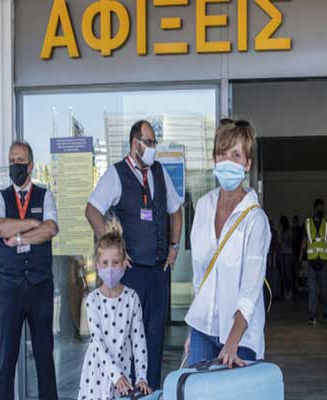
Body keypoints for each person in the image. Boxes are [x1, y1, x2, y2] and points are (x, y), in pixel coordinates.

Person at [85, 120, 183, 389]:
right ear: (134, 143)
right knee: (129, 337)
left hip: (159, 271)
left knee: (155, 336)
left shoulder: (159, 173)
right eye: (148, 142)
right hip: (132, 272)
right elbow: (92, 210)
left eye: (154, 142)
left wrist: (174, 247)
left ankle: (151, 391)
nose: (153, 147)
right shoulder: (116, 174)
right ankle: (126, 391)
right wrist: (114, 248)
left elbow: (176, 211)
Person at [184, 118, 271, 368]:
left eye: (236, 155)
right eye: (222, 154)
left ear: (247, 164)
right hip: (203, 329)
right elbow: (200, 276)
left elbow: (250, 291)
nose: (227, 161)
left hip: (240, 335)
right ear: (214, 158)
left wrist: (232, 342)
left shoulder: (255, 219)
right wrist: (193, 327)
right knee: (196, 388)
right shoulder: (203, 207)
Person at [0, 141, 59, 400]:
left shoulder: (45, 194)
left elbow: (51, 229)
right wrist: (31, 223)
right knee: (6, 358)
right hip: (9, 288)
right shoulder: (1, 196)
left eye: (20, 160)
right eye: (12, 160)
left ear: (30, 165)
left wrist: (18, 237)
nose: (15, 165)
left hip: (40, 287)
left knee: (44, 357)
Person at [78, 224, 151, 399]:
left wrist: (141, 377)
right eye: (105, 263)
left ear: (124, 264)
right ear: (98, 265)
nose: (110, 268)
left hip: (123, 372)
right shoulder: (93, 300)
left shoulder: (131, 298)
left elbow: (139, 340)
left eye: (115, 262)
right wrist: (115, 375)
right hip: (96, 373)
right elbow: (98, 342)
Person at [301, 199, 327, 325]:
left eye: (323, 208)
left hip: (324, 261)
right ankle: (312, 316)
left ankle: (325, 313)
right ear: (314, 209)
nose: (321, 210)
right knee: (313, 290)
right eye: (320, 208)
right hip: (311, 261)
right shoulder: (308, 223)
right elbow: (304, 241)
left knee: (325, 290)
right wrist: (300, 258)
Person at [279, 215, 294, 299]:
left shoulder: (289, 231)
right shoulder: (282, 231)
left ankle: (290, 290)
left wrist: (285, 240)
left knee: (288, 273)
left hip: (288, 253)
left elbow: (290, 243)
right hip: (282, 253)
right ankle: (285, 290)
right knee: (283, 273)